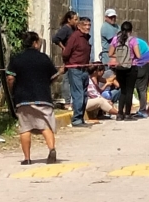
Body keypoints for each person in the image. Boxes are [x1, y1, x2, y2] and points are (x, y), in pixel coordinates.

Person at [6, 31, 63, 165]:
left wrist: (12, 90)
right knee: (45, 126)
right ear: (35, 43)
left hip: (23, 98)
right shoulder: (44, 58)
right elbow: (54, 77)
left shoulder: (17, 59)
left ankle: (27, 158)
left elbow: (10, 78)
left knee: (25, 128)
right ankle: (52, 149)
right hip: (43, 97)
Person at [107, 20, 144, 120]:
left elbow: (110, 54)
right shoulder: (133, 40)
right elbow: (138, 55)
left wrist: (119, 57)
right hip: (131, 67)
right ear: (131, 30)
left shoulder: (115, 39)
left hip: (119, 68)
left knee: (122, 90)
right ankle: (127, 114)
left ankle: (119, 114)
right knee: (129, 91)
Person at [62, 14, 92, 127]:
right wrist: (69, 64)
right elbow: (66, 53)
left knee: (84, 95)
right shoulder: (75, 37)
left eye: (89, 25)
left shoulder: (86, 38)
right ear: (79, 26)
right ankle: (76, 120)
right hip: (75, 69)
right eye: (85, 25)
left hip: (84, 70)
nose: (88, 27)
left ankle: (80, 117)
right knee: (78, 95)